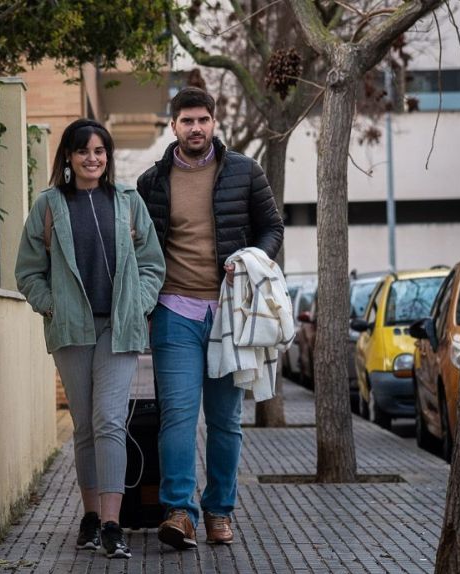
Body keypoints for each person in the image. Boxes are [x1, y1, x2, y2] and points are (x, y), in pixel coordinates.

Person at [136, 87, 283, 549]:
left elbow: (272, 227)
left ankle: (220, 511)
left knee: (225, 420)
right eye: (186, 121)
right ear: (173, 125)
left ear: (214, 123)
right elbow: (140, 245)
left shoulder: (245, 171)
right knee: (177, 417)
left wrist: (253, 257)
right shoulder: (151, 182)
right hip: (174, 311)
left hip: (230, 316)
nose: (195, 127)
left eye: (202, 120)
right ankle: (180, 512)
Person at [15, 119, 165, 559]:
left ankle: (113, 523)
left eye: (99, 151)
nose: (92, 158)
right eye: (83, 151)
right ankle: (90, 516)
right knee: (84, 427)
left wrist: (137, 302)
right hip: (72, 331)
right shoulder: (48, 205)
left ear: (108, 157)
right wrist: (52, 304)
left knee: (110, 422)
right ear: (69, 157)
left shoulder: (127, 202)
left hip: (118, 329)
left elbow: (153, 262)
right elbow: (27, 271)